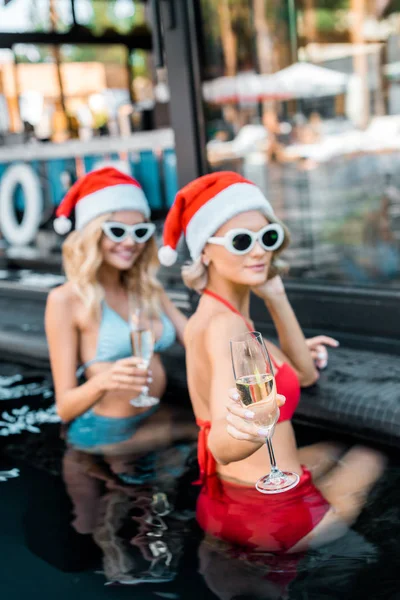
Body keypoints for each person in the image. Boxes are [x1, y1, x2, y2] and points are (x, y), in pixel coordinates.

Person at [158, 171, 385, 554]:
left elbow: (305, 375)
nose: (259, 251)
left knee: (335, 448)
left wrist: (275, 295)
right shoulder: (227, 326)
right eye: (242, 241)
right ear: (205, 251)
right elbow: (221, 444)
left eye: (268, 237)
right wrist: (244, 428)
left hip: (230, 498)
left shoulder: (220, 315)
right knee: (375, 453)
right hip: (275, 517)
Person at [45, 167, 187, 455]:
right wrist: (102, 382)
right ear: (92, 235)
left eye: (140, 232)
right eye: (117, 231)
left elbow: (197, 337)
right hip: (104, 437)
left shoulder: (148, 290)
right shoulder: (65, 300)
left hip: (151, 417)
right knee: (205, 438)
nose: (130, 242)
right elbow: (64, 407)